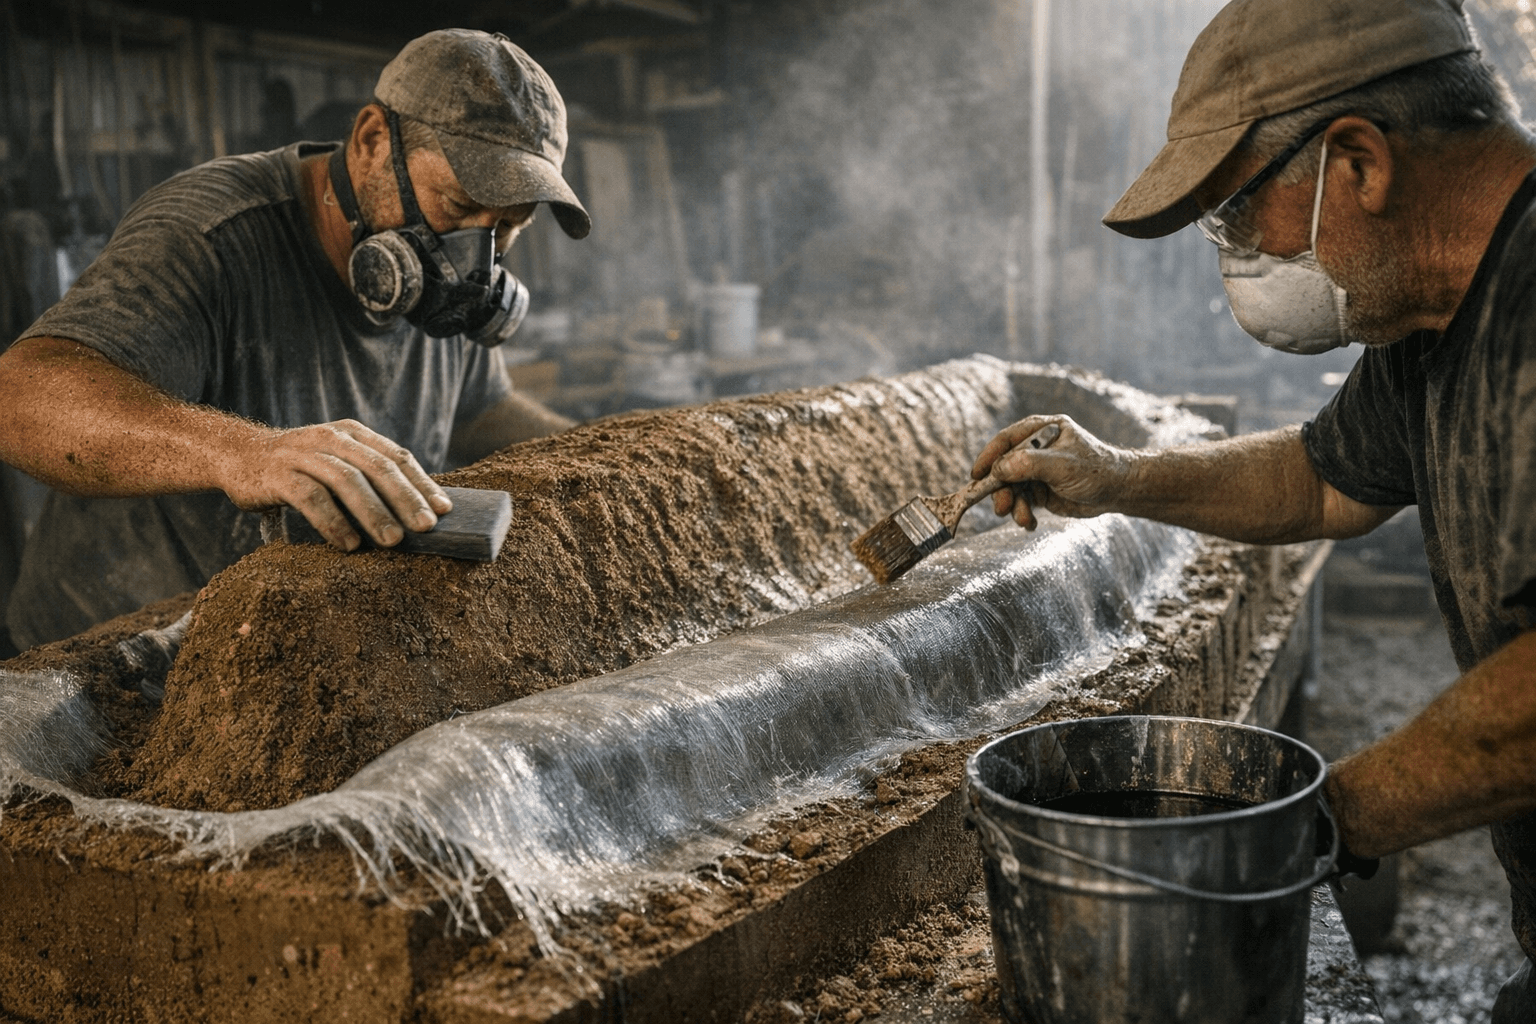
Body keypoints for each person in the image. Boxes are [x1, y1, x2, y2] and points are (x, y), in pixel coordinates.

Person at [972, 0, 1536, 1014]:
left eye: (1236, 213)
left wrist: (1308, 821)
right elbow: (1322, 476)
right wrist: (1120, 478)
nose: (1236, 251)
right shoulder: (1437, 323)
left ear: (1357, 161)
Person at [0, 29, 590, 651]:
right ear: (370, 141)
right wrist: (244, 451)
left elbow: (480, 409)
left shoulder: (446, 294)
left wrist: (598, 455)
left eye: (507, 226)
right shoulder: (209, 235)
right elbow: (20, 401)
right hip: (103, 662)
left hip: (272, 652)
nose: (477, 256)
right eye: (457, 203)